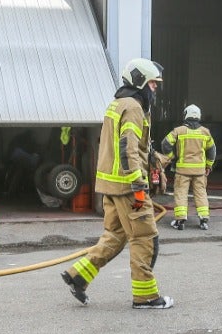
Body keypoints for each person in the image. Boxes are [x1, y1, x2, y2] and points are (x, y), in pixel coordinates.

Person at [61, 58, 174, 310]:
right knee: (145, 238)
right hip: (128, 189)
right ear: (141, 81)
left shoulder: (118, 103)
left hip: (110, 187)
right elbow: (127, 146)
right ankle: (145, 297)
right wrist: (138, 183)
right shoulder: (133, 107)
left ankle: (78, 275)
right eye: (153, 84)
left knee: (115, 236)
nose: (155, 89)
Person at [162, 104, 216, 230]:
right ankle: (203, 219)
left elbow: (165, 144)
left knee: (181, 193)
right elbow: (212, 150)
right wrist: (208, 165)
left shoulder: (179, 131)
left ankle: (180, 221)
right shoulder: (205, 132)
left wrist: (171, 157)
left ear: (186, 115)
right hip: (199, 171)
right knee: (201, 193)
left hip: (182, 171)